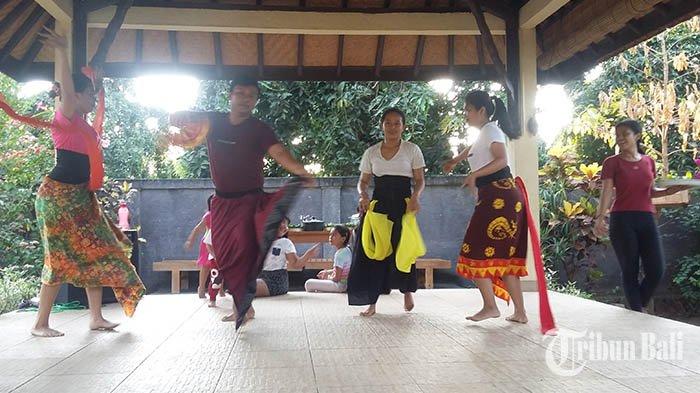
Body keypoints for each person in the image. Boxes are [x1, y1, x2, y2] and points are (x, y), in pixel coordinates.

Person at [168, 77, 312, 329]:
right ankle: (244, 304)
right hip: (222, 202)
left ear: (256, 101)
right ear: (230, 96)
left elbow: (279, 152)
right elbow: (178, 118)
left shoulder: (260, 129)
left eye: (251, 95)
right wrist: (179, 117)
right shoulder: (212, 121)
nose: (245, 99)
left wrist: (301, 171)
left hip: (250, 201)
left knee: (245, 254)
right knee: (223, 256)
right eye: (240, 93)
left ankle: (242, 308)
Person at [29, 29, 145, 337]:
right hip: (56, 197)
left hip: (81, 197)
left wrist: (97, 77)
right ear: (76, 96)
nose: (93, 99)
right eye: (89, 94)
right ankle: (41, 323)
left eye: (95, 94)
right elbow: (66, 90)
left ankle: (96, 317)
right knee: (58, 257)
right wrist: (62, 51)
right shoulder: (65, 115)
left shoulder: (82, 124)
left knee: (95, 250)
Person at [443, 90, 528, 323]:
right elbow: (470, 151)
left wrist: (474, 175)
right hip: (500, 197)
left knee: (473, 248)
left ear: (482, 111)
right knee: (505, 256)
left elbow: (502, 160)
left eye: (468, 109)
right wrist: (455, 161)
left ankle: (491, 306)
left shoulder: (491, 130)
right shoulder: (485, 133)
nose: (465, 114)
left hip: (500, 197)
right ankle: (520, 313)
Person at [594, 119, 689, 313]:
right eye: (617, 135)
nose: (620, 138)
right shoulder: (612, 163)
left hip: (646, 218)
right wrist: (600, 217)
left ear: (636, 135)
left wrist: (672, 190)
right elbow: (606, 191)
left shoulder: (649, 162)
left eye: (625, 134)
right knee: (630, 270)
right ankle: (637, 312)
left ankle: (637, 306)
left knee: (657, 269)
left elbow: (651, 191)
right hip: (622, 220)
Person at [347, 107, 426, 317]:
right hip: (379, 204)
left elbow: (419, 180)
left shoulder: (412, 150)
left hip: (403, 204)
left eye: (397, 123)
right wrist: (363, 195)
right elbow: (362, 182)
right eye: (388, 123)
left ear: (403, 126)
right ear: (382, 125)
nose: (392, 127)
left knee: (404, 248)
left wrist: (416, 197)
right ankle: (371, 302)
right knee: (373, 251)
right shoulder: (371, 152)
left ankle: (407, 291)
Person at [256, 217, 320, 298]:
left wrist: (308, 255)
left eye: (286, 224)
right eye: (281, 222)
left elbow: (296, 264)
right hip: (260, 277)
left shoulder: (285, 242)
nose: (284, 226)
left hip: (276, 281)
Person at [184, 195, 215, 298]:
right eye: (213, 202)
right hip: (207, 243)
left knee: (219, 266)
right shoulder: (208, 215)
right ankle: (201, 287)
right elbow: (197, 229)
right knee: (205, 266)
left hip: (218, 243)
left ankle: (220, 290)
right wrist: (190, 240)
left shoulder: (224, 215)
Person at [305, 225, 353, 293]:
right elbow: (341, 270)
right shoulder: (347, 250)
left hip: (341, 286)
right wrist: (327, 272)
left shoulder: (339, 254)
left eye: (334, 235)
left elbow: (337, 278)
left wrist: (327, 277)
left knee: (308, 284)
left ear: (343, 238)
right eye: (330, 234)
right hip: (346, 284)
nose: (330, 237)